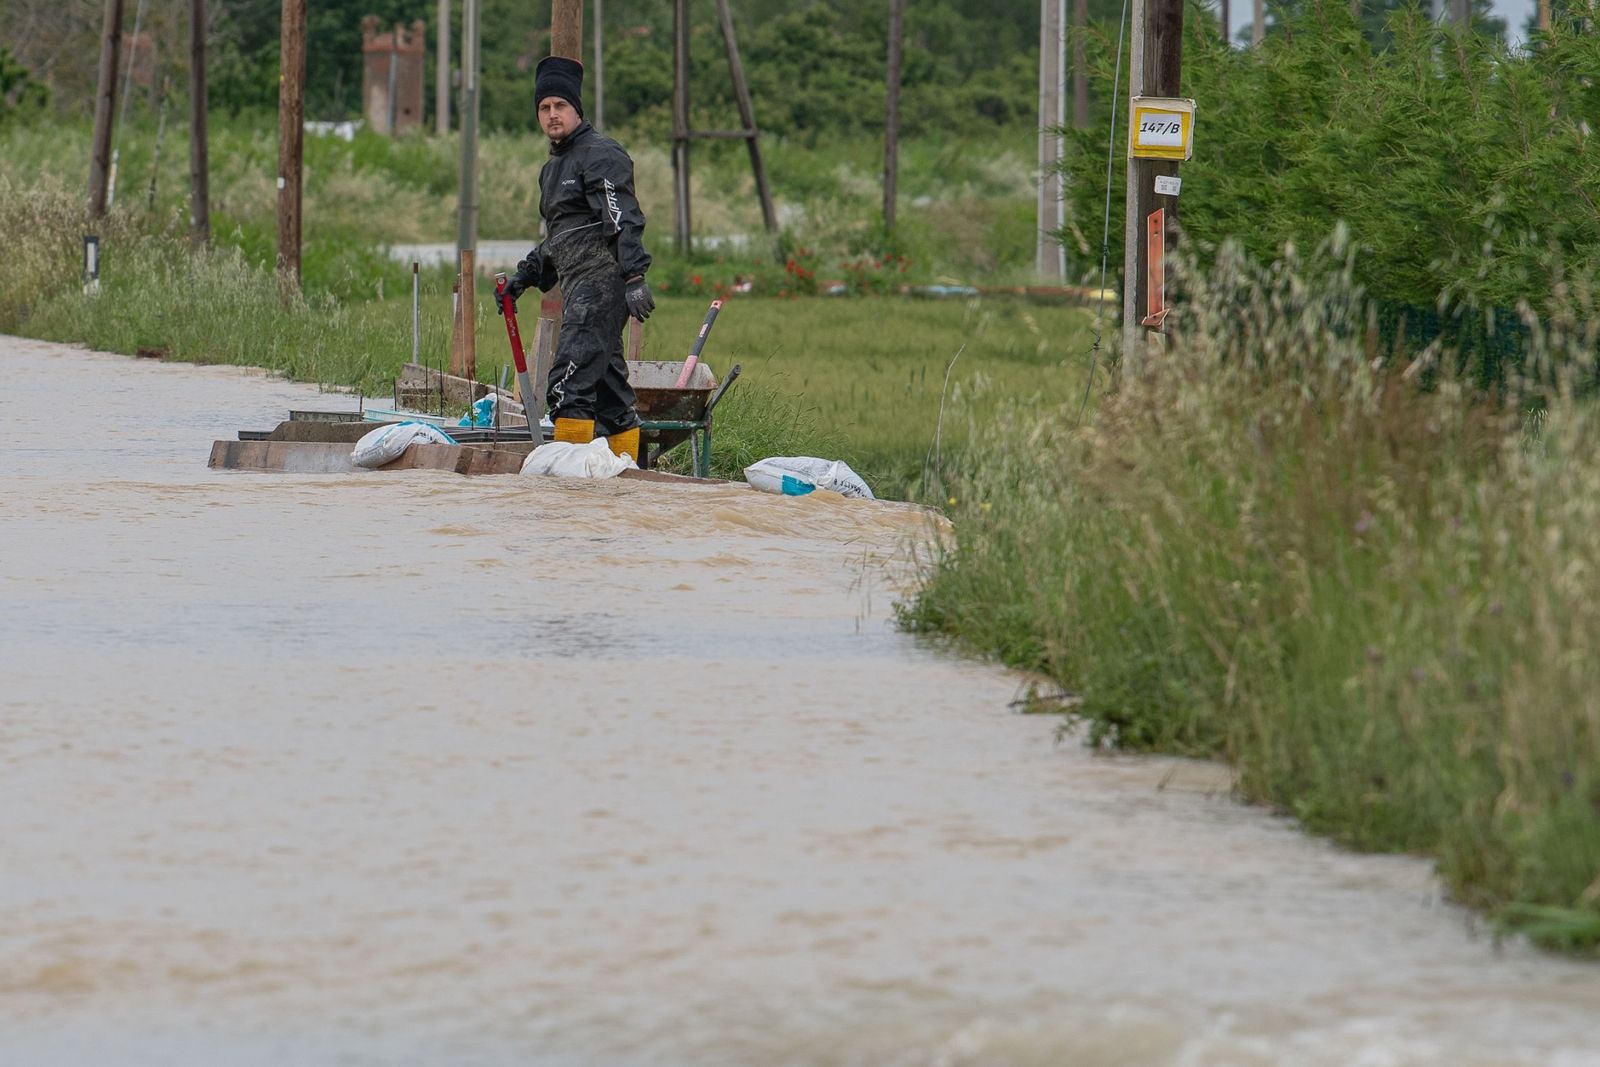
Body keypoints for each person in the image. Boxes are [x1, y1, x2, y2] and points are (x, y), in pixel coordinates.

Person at [499, 55, 656, 460]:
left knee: (567, 386)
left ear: (577, 110)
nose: (552, 115)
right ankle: (627, 477)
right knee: (609, 392)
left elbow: (623, 218)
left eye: (560, 106)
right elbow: (559, 239)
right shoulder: (552, 170)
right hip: (577, 286)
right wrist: (524, 277)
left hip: (602, 284)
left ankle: (568, 490)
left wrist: (635, 277)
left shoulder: (601, 154)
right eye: (544, 108)